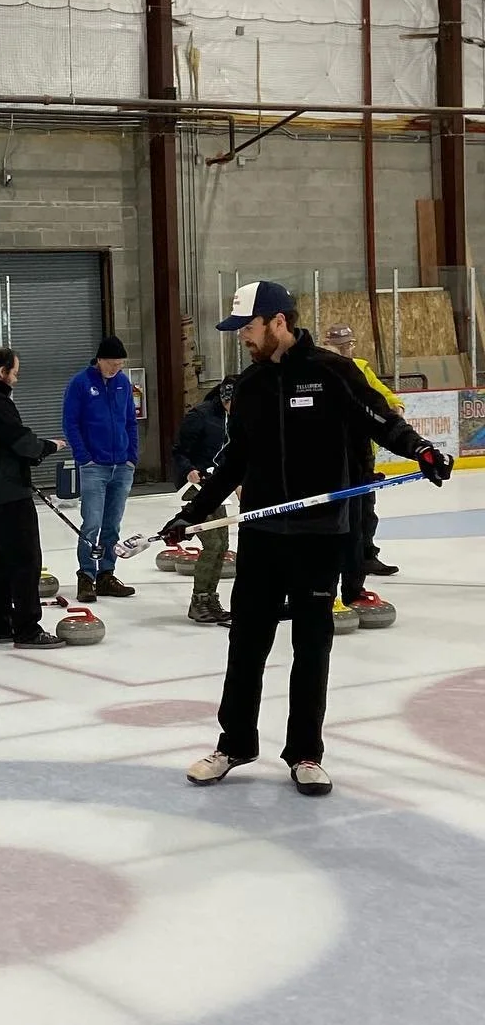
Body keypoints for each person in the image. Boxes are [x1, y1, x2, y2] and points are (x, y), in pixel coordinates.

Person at [162, 281, 452, 797]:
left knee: (311, 647)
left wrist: (422, 451)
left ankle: (305, 753)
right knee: (246, 644)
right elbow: (234, 461)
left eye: (248, 328)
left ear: (278, 321)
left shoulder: (332, 372)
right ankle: (234, 744)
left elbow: (382, 420)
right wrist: (193, 512)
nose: (242, 338)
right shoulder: (250, 385)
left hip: (320, 536)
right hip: (262, 536)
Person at [0, 347, 67, 650]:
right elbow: (21, 442)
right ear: (1, 372)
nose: (16, 380)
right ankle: (28, 629)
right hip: (6, 492)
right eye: (14, 373)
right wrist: (48, 446)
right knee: (25, 560)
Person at [322, 324, 403, 581]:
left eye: (349, 344)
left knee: (365, 509)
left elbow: (385, 397)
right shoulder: (319, 369)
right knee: (333, 512)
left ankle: (366, 556)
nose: (346, 349)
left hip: (362, 455)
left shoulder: (361, 368)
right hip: (331, 455)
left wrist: (395, 408)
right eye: (340, 345)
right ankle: (333, 561)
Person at [62, 334, 138, 602]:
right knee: (92, 523)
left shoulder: (123, 383)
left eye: (120, 364)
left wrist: (132, 457)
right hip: (94, 466)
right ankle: (86, 576)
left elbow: (130, 421)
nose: (116, 368)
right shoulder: (80, 383)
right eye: (112, 364)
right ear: (100, 360)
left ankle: (107, 574)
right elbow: (70, 423)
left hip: (122, 466)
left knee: (112, 525)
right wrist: (84, 457)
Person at [169, 376, 235, 627]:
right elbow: (178, 451)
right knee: (212, 542)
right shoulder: (200, 416)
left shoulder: (235, 419)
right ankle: (199, 600)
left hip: (217, 486)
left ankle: (210, 598)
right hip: (193, 488)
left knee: (223, 544)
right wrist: (189, 470)